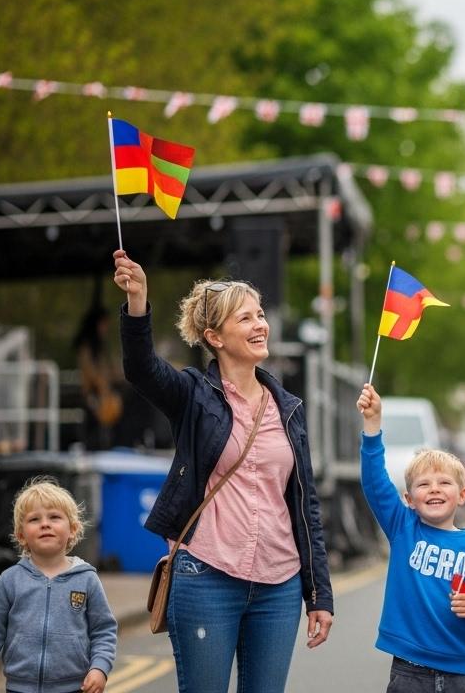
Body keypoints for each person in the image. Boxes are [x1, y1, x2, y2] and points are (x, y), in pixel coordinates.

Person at [112, 253, 334, 693]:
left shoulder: (289, 408)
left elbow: (305, 505)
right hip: (206, 576)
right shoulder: (193, 395)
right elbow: (141, 368)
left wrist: (318, 594)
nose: (260, 325)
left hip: (279, 586)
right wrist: (137, 301)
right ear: (214, 337)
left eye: (260, 314)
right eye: (245, 318)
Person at [355, 383, 465, 691]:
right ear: (409, 499)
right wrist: (372, 424)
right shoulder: (403, 527)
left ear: (462, 495)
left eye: (444, 483)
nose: (434, 489)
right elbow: (374, 481)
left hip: (461, 675)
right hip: (408, 672)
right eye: (424, 484)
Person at [0, 476, 117, 693]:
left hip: (73, 687)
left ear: (73, 529)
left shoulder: (86, 579)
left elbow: (103, 631)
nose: (45, 524)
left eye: (54, 517)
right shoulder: (10, 580)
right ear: (21, 535)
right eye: (34, 519)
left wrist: (99, 669)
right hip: (19, 688)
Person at [74, 304, 122, 451]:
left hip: (104, 395)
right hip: (93, 395)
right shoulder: (86, 348)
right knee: (94, 431)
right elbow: (91, 374)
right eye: (103, 324)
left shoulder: (102, 347)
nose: (105, 328)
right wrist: (103, 385)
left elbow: (112, 371)